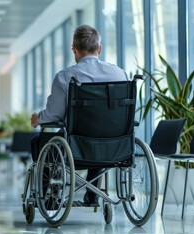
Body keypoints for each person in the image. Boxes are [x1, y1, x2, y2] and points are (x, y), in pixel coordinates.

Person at [30, 25, 128, 206]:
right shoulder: (120, 74)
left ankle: (49, 197)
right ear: (99, 49)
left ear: (74, 49)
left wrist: (38, 118)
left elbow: (53, 115)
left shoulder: (65, 77)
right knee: (99, 135)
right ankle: (93, 195)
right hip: (116, 146)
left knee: (40, 142)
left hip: (77, 146)